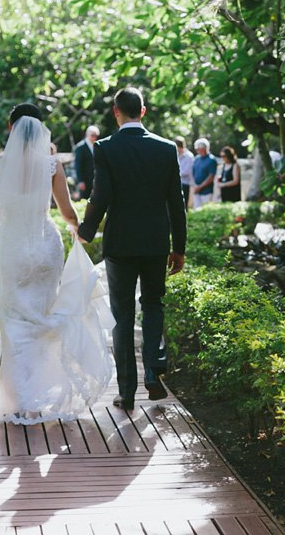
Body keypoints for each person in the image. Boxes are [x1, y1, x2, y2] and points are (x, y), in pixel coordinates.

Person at [0, 103, 113, 424]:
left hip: (10, 246)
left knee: (13, 320)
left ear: (12, 129)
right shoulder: (51, 164)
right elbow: (67, 212)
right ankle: (36, 400)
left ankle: (17, 396)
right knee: (43, 315)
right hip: (44, 244)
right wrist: (76, 227)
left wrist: (13, 200)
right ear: (42, 130)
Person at [78, 88, 187, 412]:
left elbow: (101, 196)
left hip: (120, 245)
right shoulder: (167, 149)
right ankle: (154, 368)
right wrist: (178, 248)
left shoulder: (106, 148)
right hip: (155, 243)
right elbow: (176, 204)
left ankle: (127, 393)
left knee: (122, 316)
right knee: (153, 304)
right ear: (143, 111)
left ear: (115, 112)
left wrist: (85, 232)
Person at [74, 125, 100, 200]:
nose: (94, 138)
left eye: (96, 136)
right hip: (85, 180)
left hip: (95, 179)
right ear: (86, 135)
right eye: (92, 135)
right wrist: (80, 181)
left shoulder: (97, 145)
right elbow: (78, 165)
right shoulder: (80, 147)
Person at [191, 137, 217, 209]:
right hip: (196, 191)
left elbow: (211, 176)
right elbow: (192, 174)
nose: (197, 150)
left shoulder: (211, 160)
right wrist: (195, 186)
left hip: (206, 192)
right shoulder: (196, 159)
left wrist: (200, 187)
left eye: (198, 148)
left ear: (203, 148)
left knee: (206, 209)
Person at [176, 136, 194, 208]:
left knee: (184, 205)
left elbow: (187, 171)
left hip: (185, 183)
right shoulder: (176, 155)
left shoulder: (188, 156)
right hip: (177, 182)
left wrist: (175, 173)